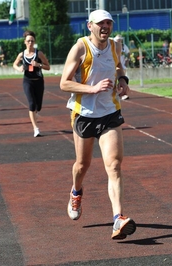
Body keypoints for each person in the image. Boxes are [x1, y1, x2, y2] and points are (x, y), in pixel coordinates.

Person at [60, 9, 136, 240]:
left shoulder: (115, 46)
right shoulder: (81, 47)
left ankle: (118, 219)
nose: (105, 27)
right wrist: (91, 89)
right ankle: (76, 191)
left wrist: (123, 81)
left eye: (109, 23)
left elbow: (119, 67)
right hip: (84, 114)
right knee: (82, 166)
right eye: (100, 23)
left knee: (114, 165)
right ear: (89, 25)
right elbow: (64, 83)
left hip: (110, 113)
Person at [13, 30, 50, 137]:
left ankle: (36, 113)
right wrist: (19, 68)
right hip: (27, 81)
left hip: (39, 82)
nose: (30, 43)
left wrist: (39, 64)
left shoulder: (39, 53)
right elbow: (14, 64)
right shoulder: (22, 54)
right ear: (25, 42)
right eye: (28, 41)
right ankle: (36, 128)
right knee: (32, 104)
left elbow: (48, 66)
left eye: (32, 41)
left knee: (38, 106)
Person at [114, 34, 130, 100]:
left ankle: (123, 93)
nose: (119, 41)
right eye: (118, 40)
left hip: (122, 66)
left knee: (123, 79)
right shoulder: (113, 46)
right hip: (114, 66)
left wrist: (127, 60)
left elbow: (128, 52)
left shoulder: (124, 46)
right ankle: (116, 92)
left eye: (120, 40)